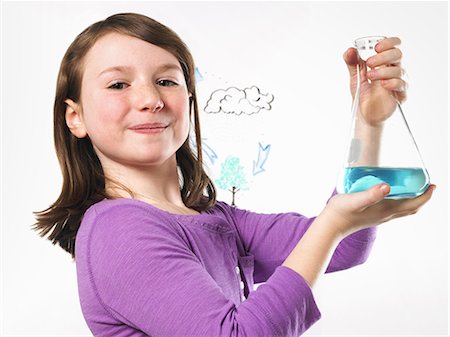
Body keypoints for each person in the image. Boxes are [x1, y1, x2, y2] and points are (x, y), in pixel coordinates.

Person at [33, 12, 435, 337]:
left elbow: (345, 246)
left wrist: (367, 122)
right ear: (75, 116)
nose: (151, 100)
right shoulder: (117, 228)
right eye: (119, 84)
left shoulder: (217, 220)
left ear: (187, 101)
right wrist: (331, 226)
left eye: (166, 81)